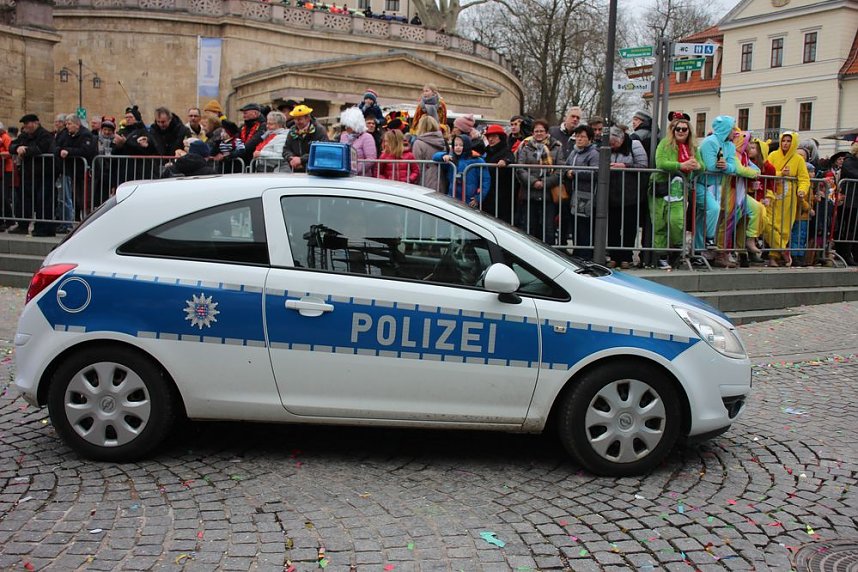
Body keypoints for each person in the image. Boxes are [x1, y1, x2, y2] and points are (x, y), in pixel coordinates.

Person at [649, 115, 700, 268]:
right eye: (677, 128)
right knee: (660, 224)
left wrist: (697, 165)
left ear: (689, 131)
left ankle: (677, 249)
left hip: (679, 191)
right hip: (661, 187)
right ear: (672, 130)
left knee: (677, 221)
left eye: (684, 129)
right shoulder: (665, 144)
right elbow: (661, 162)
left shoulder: (693, 147)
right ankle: (660, 256)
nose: (681, 131)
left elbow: (701, 165)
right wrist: (681, 165)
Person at [715, 130, 762, 268]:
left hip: (740, 194)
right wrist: (754, 173)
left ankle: (742, 250)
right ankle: (720, 253)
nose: (750, 144)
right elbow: (740, 170)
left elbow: (755, 169)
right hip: (730, 193)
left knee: (741, 222)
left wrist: (754, 173)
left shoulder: (744, 156)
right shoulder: (734, 154)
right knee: (728, 223)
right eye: (749, 141)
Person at [694, 115, 740, 257]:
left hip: (716, 185)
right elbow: (710, 166)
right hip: (701, 183)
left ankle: (697, 251)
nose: (735, 132)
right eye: (732, 129)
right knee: (713, 209)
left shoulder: (730, 145)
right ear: (725, 129)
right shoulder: (710, 142)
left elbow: (734, 167)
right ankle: (709, 239)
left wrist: (726, 166)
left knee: (703, 218)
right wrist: (725, 167)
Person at [514, 119, 563, 243]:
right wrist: (533, 182)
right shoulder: (526, 147)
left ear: (547, 133)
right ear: (533, 133)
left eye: (542, 131)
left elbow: (560, 170)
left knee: (548, 229)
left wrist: (545, 183)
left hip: (548, 195)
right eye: (536, 131)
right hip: (529, 193)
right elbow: (520, 168)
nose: (539, 133)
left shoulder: (556, 147)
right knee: (529, 227)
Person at [766, 132, 810, 267]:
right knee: (768, 223)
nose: (785, 143)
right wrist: (780, 173)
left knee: (784, 228)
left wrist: (802, 190)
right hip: (772, 194)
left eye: (788, 141)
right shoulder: (773, 155)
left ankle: (774, 256)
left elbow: (804, 178)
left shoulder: (798, 159)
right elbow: (766, 171)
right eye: (783, 140)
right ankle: (783, 250)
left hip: (789, 198)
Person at [607, 126, 648, 268]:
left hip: (631, 193)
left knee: (629, 227)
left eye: (614, 143)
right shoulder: (606, 146)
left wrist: (624, 165)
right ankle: (613, 256)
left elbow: (643, 165)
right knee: (612, 227)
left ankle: (626, 256)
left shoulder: (634, 145)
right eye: (610, 144)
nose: (612, 146)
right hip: (611, 194)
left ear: (622, 139)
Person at [10, 114, 56, 237]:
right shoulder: (25, 135)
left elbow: (41, 149)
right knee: (25, 201)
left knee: (43, 202)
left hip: (43, 174)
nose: (25, 126)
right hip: (28, 174)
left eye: (27, 123)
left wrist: (25, 150)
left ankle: (44, 228)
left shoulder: (45, 135)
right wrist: (18, 148)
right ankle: (22, 225)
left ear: (35, 123)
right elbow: (12, 146)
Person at [564, 124, 600, 260]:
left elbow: (595, 172)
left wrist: (575, 172)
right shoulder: (574, 152)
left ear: (590, 139)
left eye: (582, 136)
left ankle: (585, 255)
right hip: (574, 194)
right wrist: (567, 172)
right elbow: (566, 166)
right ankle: (577, 253)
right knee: (575, 225)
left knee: (584, 227)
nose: (579, 139)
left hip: (587, 195)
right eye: (577, 136)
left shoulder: (593, 153)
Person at [54, 115, 97, 226]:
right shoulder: (65, 134)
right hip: (69, 171)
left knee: (84, 199)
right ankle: (71, 222)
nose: (67, 126)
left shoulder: (86, 134)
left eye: (69, 124)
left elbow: (86, 150)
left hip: (83, 171)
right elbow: (55, 146)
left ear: (77, 124)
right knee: (71, 198)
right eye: (66, 124)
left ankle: (86, 222)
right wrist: (60, 151)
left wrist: (68, 151)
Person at [433, 133, 490, 208]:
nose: (458, 147)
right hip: (452, 196)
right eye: (456, 145)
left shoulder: (477, 160)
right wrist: (443, 156)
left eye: (461, 145)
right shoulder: (451, 159)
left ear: (466, 145)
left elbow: (485, 180)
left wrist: (479, 198)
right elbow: (434, 156)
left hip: (469, 198)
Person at [482, 124, 516, 223]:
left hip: (502, 194)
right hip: (488, 192)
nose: (490, 139)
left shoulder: (505, 150)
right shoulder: (487, 151)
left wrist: (505, 161)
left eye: (494, 136)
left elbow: (510, 158)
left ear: (500, 137)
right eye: (489, 137)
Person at [280, 104, 329, 173]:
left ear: (308, 118)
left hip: (314, 169)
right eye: (295, 119)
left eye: (299, 119)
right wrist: (291, 159)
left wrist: (302, 160)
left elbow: (322, 150)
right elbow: (286, 149)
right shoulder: (292, 130)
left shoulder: (319, 130)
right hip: (295, 169)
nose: (297, 122)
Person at [834, 141, 858, 265]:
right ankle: (846, 254)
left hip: (855, 201)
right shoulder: (849, 161)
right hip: (850, 202)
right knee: (849, 229)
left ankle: (854, 254)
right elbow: (853, 174)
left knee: (855, 230)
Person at [410, 115, 447, 191]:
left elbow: (416, 165)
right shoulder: (442, 141)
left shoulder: (418, 143)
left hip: (424, 179)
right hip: (441, 178)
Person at [339, 106, 377, 177]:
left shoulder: (367, 137)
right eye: (345, 125)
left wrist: (354, 169)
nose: (346, 127)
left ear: (356, 125)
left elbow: (371, 159)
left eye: (348, 125)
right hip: (344, 174)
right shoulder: (343, 136)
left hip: (361, 177)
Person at [0, 122, 14, 230]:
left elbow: (10, 152)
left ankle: (9, 219)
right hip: (1, 169)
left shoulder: (5, 138)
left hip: (6, 169)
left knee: (4, 196)